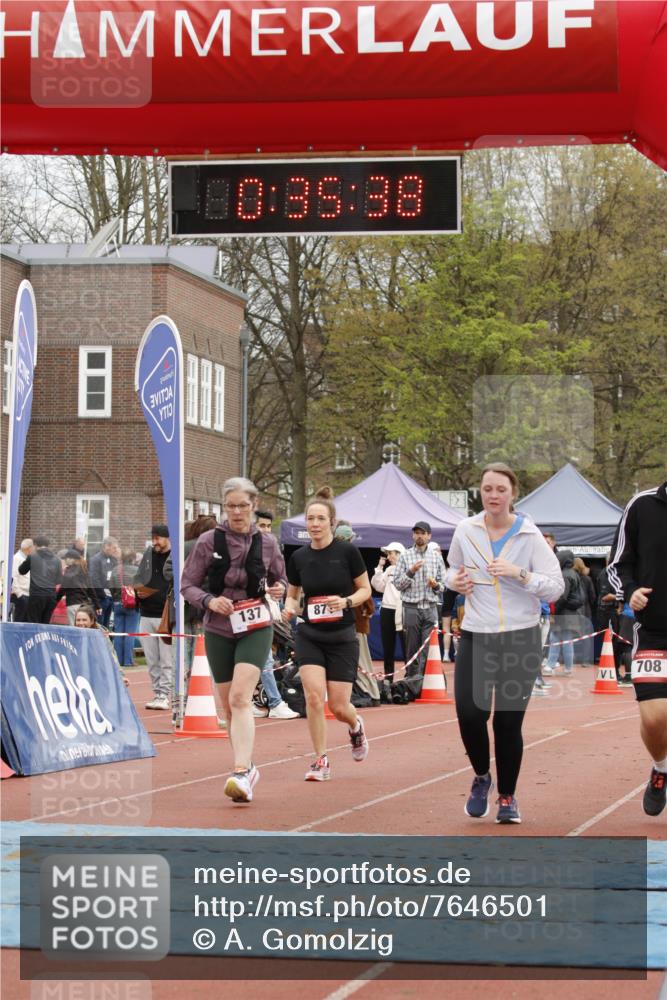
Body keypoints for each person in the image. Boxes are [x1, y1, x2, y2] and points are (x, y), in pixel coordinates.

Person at [446, 462, 564, 824]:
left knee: (507, 724)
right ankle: (482, 776)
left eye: (500, 489)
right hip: (478, 634)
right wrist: (457, 582)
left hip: (520, 636)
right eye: (487, 489)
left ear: (513, 494)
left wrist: (521, 574)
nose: (493, 496)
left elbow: (557, 585)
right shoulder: (466, 530)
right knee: (469, 712)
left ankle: (508, 797)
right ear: (479, 493)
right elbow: (451, 570)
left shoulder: (529, 536)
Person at [181, 477, 287, 803]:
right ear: (223, 507)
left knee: (242, 697)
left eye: (243, 506)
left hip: (255, 625)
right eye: (231, 506)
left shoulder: (269, 543)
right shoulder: (208, 541)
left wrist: (278, 589)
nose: (237, 512)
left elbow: (280, 578)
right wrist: (209, 601)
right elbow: (187, 584)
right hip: (218, 627)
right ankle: (249, 767)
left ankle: (240, 770)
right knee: (229, 706)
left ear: (254, 506)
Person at [283, 487, 372, 782]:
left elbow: (365, 590)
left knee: (338, 706)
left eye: (321, 518)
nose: (315, 524)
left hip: (342, 636)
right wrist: (288, 608)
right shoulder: (298, 557)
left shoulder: (347, 551)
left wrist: (346, 602)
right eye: (310, 518)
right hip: (310, 634)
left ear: (332, 522)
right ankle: (320, 760)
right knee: (312, 696)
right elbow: (293, 597)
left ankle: (355, 726)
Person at [608, 475, 667, 816]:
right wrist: (629, 591)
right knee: (656, 717)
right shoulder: (642, 505)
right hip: (655, 630)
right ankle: (661, 768)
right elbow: (617, 562)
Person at [252, 508, 299, 720]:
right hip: (248, 612)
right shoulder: (242, 550)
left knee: (261, 660)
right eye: (262, 525)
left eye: (269, 526)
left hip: (268, 612)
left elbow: (281, 579)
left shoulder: (271, 550)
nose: (266, 530)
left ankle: (247, 701)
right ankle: (274, 701)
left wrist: (280, 592)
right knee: (264, 660)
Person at [393, 522, 446, 680]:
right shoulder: (405, 555)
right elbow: (397, 584)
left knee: (428, 649)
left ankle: (424, 681)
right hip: (411, 607)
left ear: (429, 536)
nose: (419, 536)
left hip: (430, 607)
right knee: (412, 647)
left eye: (423, 533)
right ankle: (412, 680)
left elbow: (444, 584)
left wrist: (436, 585)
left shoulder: (436, 556)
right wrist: (411, 571)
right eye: (416, 533)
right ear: (412, 535)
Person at [135, 525, 173, 710]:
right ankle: (158, 693)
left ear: (168, 538)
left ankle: (165, 694)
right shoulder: (148, 555)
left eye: (158, 538)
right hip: (146, 613)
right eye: (153, 538)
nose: (155, 542)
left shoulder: (175, 556)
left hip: (165, 614)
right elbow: (139, 576)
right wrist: (137, 590)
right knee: (152, 659)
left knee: (166, 659)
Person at [371, 542, 406, 685]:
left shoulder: (408, 569)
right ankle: (388, 678)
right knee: (388, 646)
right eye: (388, 553)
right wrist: (379, 568)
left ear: (399, 553)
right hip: (386, 610)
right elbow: (379, 586)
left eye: (391, 553)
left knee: (406, 644)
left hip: (402, 610)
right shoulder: (389, 569)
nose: (388, 556)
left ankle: (410, 677)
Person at [543, 550, 583, 676]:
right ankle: (568, 668)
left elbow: (562, 597)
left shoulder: (565, 575)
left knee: (555, 638)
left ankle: (550, 665)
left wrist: (554, 613)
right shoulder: (574, 574)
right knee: (566, 640)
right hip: (571, 613)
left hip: (563, 613)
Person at [74, 603, 129, 686]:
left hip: (99, 674)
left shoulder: (101, 635)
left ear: (92, 621)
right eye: (78, 620)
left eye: (84, 620)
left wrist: (120, 676)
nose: (81, 623)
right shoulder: (71, 633)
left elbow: (111, 656)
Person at [19, 536, 63, 624]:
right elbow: (59, 580)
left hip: (36, 595)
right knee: (45, 623)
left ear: (35, 545)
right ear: (48, 545)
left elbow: (22, 570)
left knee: (33, 622)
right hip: (51, 596)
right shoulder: (57, 559)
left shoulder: (32, 556)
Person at [109, 548, 141, 667]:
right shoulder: (137, 571)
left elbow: (111, 586)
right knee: (130, 633)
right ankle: (128, 661)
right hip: (132, 605)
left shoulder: (115, 570)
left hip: (117, 603)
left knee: (118, 633)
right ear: (133, 559)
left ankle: (118, 660)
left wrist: (116, 599)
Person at [89, 537, 119, 628]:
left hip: (110, 597)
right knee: (99, 625)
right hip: (101, 599)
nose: (115, 550)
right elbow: (94, 579)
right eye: (114, 547)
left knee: (106, 625)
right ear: (107, 546)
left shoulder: (114, 559)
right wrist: (103, 595)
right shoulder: (95, 559)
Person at [61, 549, 96, 625]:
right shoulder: (84, 570)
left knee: (74, 628)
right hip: (84, 604)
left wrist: (55, 600)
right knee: (84, 626)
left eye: (66, 559)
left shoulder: (69, 571)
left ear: (71, 559)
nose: (65, 561)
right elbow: (91, 588)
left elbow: (63, 587)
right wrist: (97, 605)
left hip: (72, 603)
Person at [11, 538, 33, 621]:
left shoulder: (25, 559)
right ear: (29, 548)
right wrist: (19, 595)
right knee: (19, 621)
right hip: (21, 595)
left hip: (26, 595)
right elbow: (13, 577)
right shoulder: (17, 558)